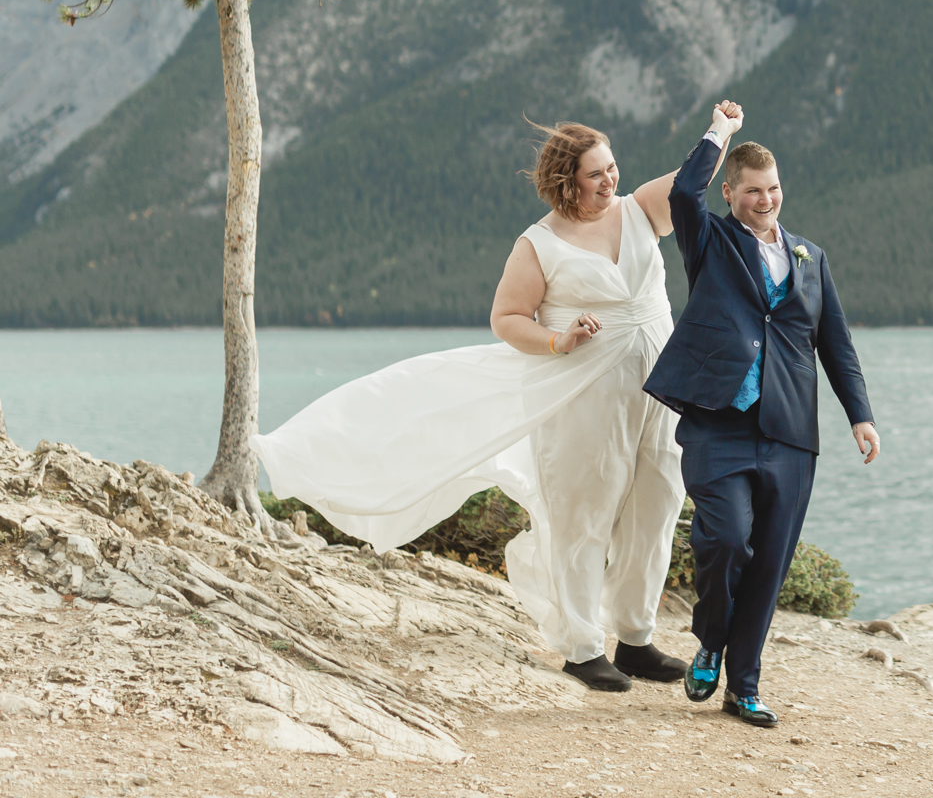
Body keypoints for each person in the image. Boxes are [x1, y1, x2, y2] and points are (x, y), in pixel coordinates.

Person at [253, 120, 720, 693]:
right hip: (585, 392)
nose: (610, 180)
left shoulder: (640, 209)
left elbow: (692, 182)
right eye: (595, 174)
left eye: (612, 168)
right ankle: (581, 646)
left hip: (662, 383)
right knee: (585, 511)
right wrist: (558, 339)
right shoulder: (539, 244)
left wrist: (720, 131)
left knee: (659, 502)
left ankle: (636, 639)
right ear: (566, 182)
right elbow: (506, 319)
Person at [643, 100, 879, 728]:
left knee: (770, 559)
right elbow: (685, 189)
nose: (766, 200)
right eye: (753, 190)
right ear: (732, 192)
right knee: (723, 539)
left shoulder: (811, 258)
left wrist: (860, 415)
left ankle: (742, 686)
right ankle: (711, 642)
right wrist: (721, 131)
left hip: (789, 432)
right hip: (719, 421)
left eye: (773, 189)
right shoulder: (710, 238)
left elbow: (835, 344)